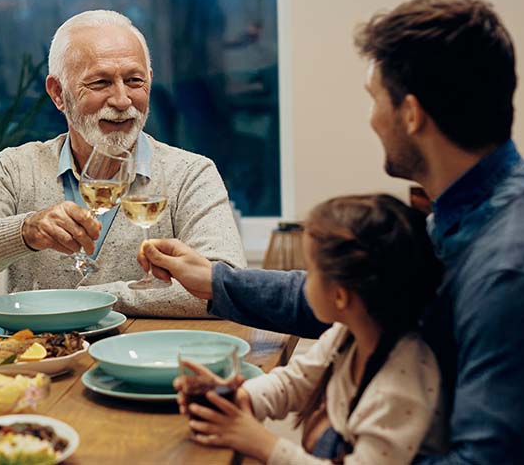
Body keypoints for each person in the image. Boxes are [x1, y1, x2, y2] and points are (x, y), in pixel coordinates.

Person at [140, 0, 524, 463]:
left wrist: (330, 445)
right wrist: (216, 280)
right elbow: (362, 295)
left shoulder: (517, 270)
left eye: (374, 99)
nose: (371, 119)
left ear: (411, 114)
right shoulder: (478, 202)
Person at [0, 9, 245, 317]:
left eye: (134, 81)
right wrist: (26, 231)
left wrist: (91, 299)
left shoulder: (190, 174)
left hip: (149, 363)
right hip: (40, 368)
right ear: (58, 93)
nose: (121, 101)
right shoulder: (16, 169)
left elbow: (226, 287)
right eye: (100, 83)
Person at [177, 194, 446, 464]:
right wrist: (240, 397)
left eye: (311, 271)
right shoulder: (346, 333)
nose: (302, 282)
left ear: (340, 296)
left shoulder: (399, 391)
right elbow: (295, 381)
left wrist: (262, 443)